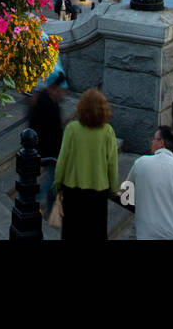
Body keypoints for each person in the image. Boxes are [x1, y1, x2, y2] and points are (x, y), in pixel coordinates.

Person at [53, 88, 119, 240]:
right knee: (96, 233)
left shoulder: (72, 129)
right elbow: (112, 165)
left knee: (72, 232)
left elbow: (62, 161)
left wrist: (57, 185)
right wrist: (113, 188)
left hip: (73, 190)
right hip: (98, 192)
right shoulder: (108, 132)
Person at [125, 125, 173, 240]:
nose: (152, 141)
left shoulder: (141, 162)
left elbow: (125, 191)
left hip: (145, 233)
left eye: (154, 139)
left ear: (161, 142)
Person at [27, 72, 67, 216]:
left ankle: (46, 207)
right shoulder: (46, 104)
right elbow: (51, 130)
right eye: (59, 89)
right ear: (52, 88)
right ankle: (45, 208)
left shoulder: (45, 101)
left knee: (50, 182)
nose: (62, 93)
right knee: (50, 183)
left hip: (45, 150)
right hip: (48, 151)